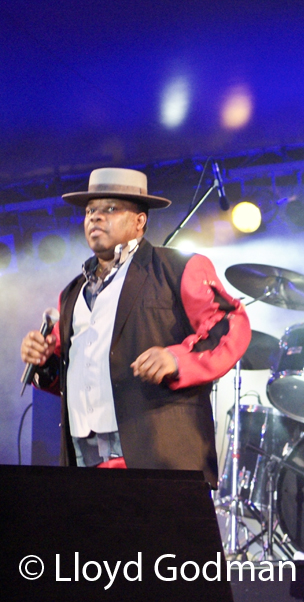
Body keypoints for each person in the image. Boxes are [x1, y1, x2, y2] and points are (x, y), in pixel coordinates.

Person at [20, 167, 251, 485]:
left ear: (140, 221)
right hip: (83, 460)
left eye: (110, 209)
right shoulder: (71, 294)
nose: (95, 218)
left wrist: (177, 359)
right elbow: (68, 377)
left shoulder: (177, 268)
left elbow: (229, 325)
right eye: (90, 211)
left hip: (158, 457)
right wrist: (42, 360)